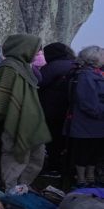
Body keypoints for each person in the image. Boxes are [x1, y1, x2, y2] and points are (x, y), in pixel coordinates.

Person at [0, 34, 50, 193]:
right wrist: (9, 120)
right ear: (23, 48)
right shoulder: (8, 67)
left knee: (36, 155)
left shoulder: (25, 67)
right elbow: (0, 101)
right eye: (35, 50)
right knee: (15, 156)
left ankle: (23, 186)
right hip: (14, 120)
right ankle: (10, 189)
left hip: (31, 121)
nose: (37, 53)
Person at [66, 46, 104, 187]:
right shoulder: (86, 76)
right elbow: (88, 102)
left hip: (93, 122)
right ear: (94, 58)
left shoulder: (91, 74)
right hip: (88, 121)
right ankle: (82, 178)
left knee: (93, 150)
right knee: (84, 150)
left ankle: (89, 177)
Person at [38, 42, 77, 177]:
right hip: (69, 110)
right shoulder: (74, 65)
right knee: (63, 140)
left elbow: (39, 82)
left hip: (51, 108)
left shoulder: (53, 67)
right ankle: (63, 167)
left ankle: (53, 167)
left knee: (51, 140)